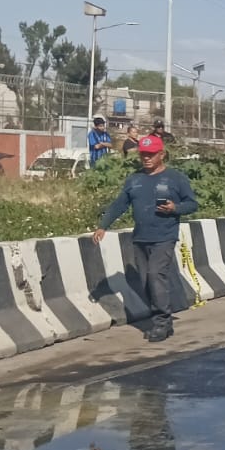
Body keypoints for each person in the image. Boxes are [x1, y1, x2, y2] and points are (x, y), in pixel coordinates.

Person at [93, 135, 198, 342]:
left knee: (155, 275)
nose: (147, 159)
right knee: (145, 282)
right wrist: (103, 226)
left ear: (162, 155)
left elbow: (192, 204)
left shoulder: (176, 178)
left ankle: (161, 322)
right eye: (143, 155)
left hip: (164, 237)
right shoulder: (135, 180)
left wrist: (174, 208)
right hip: (141, 238)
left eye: (151, 155)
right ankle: (161, 318)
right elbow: (119, 204)